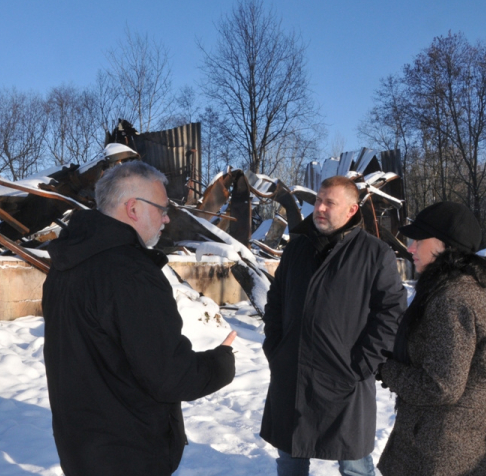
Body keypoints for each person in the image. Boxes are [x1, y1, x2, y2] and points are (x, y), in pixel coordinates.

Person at [42, 160, 237, 476]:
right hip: (128, 454)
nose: (167, 217)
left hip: (79, 447)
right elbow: (168, 375)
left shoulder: (68, 263)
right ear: (133, 208)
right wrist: (221, 362)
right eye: (161, 207)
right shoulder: (131, 272)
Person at [261, 175, 407, 476]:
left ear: (351, 211)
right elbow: (276, 299)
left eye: (330, 203)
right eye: (318, 200)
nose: (320, 208)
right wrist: (275, 346)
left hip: (345, 378)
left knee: (354, 464)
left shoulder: (374, 253)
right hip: (293, 373)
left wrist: (362, 364)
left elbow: (391, 312)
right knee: (290, 460)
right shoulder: (298, 246)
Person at [377, 201, 486, 475]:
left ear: (446, 245)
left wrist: (385, 369)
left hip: (439, 453)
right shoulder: (477, 288)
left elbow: (440, 387)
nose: (410, 247)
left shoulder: (451, 299)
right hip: (463, 444)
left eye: (418, 239)